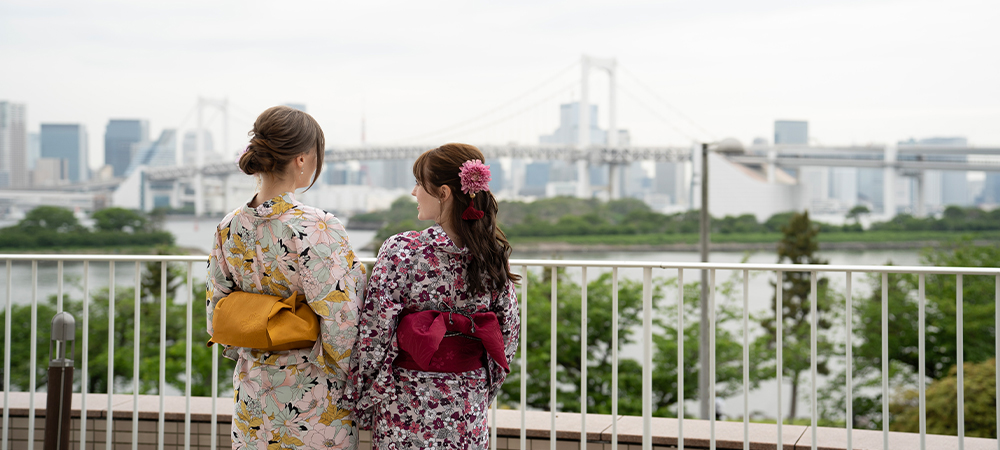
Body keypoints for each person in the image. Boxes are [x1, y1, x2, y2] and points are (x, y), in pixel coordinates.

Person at [206, 105, 365, 449]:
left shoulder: (229, 225)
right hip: (309, 393)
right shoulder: (316, 225)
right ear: (303, 159)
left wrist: (259, 331)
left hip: (253, 388)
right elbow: (342, 320)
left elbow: (216, 311)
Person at [347, 143, 521, 449]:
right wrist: (484, 386)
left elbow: (375, 334)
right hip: (469, 398)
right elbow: (507, 334)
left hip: (407, 400)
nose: (414, 193)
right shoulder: (490, 255)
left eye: (418, 183)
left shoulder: (402, 250)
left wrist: (362, 395)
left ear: (443, 193)